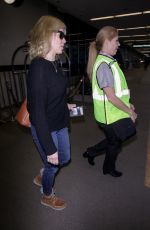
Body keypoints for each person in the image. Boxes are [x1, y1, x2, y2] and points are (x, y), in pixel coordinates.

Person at [27, 15, 76, 210]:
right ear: (47, 34)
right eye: (61, 35)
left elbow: (53, 95)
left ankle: (42, 174)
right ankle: (47, 194)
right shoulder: (39, 67)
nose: (65, 40)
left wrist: (65, 105)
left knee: (64, 158)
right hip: (45, 127)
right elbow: (38, 112)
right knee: (53, 164)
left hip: (60, 122)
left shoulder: (55, 64)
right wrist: (49, 147)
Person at [83, 26, 137, 177]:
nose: (118, 44)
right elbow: (111, 97)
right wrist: (129, 111)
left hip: (112, 113)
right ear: (106, 42)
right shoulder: (104, 66)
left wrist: (128, 104)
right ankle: (107, 167)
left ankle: (91, 153)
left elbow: (119, 91)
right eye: (116, 41)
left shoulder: (107, 62)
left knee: (114, 141)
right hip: (109, 115)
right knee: (115, 142)